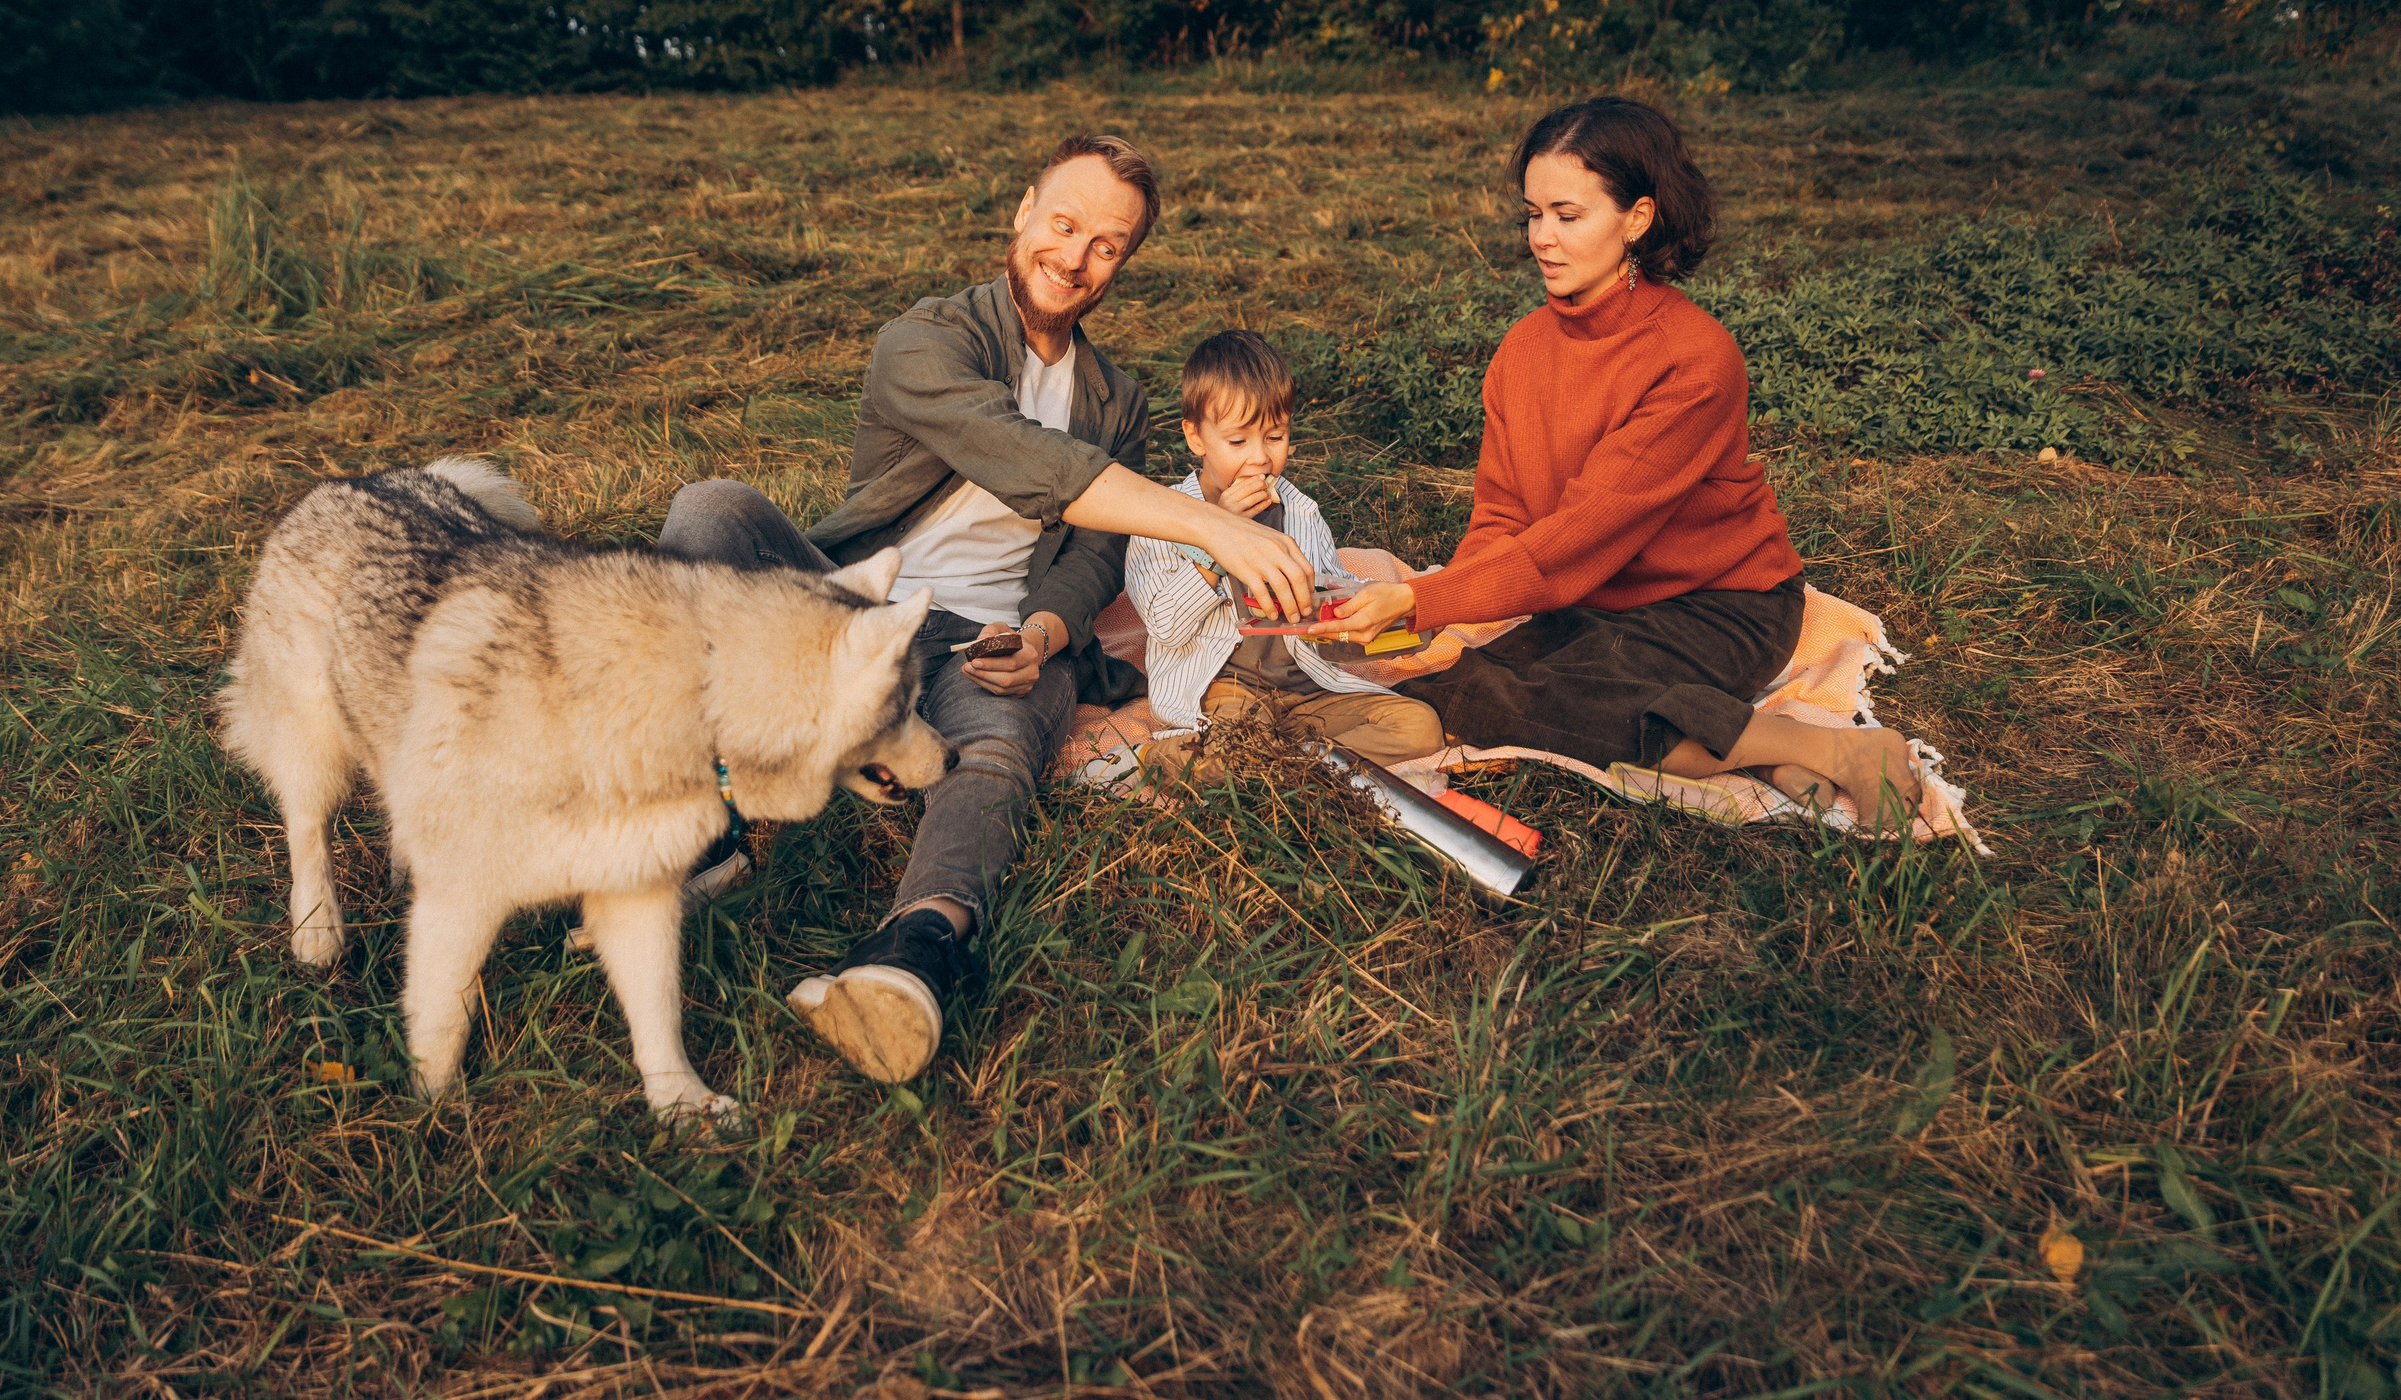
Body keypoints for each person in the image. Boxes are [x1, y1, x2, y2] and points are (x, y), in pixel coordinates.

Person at [655, 134, 1321, 1085]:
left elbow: (1094, 554)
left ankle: (917, 949)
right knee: (710, 509)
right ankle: (702, 825)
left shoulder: (1117, 401)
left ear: (1124, 261)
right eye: (1065, 222)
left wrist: (1045, 634)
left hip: (989, 638)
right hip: (848, 607)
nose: (1077, 255)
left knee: (1004, 742)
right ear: (1023, 210)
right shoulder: (924, 339)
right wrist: (1215, 528)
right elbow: (1026, 460)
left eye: (1108, 244)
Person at [1310, 98, 1920, 825]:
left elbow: (1582, 533)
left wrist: (1421, 597)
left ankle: (1839, 748)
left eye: (1568, 215)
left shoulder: (1695, 359)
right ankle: (1766, 752)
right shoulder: (1521, 351)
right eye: (1532, 214)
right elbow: (1503, 515)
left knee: (1569, 699)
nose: (1543, 238)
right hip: (1594, 602)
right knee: (1457, 693)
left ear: (1636, 219)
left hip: (1722, 605)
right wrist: (1449, 615)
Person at [1128, 331, 1443, 787]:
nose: (1260, 459)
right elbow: (1165, 626)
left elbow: (1330, 596)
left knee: (1420, 727)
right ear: (1195, 437)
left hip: (1309, 692)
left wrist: (1365, 609)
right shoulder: (1160, 519)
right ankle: (1259, 762)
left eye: (1275, 437)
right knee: (1234, 747)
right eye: (1238, 442)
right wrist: (1217, 539)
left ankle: (1279, 764)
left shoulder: (1301, 510)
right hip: (1227, 695)